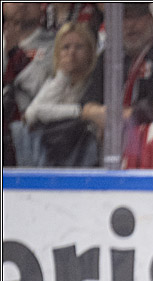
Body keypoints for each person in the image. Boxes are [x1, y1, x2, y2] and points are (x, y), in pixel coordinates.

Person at [79, 2, 153, 169]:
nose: (130, 25)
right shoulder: (111, 54)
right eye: (124, 18)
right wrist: (97, 113)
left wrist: (120, 117)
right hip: (111, 138)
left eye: (137, 17)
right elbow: (87, 101)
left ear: (151, 18)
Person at [19, 21, 99, 167]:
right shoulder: (57, 82)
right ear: (57, 53)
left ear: (90, 52)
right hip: (51, 153)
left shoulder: (94, 83)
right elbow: (31, 114)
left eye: (79, 47)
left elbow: (40, 112)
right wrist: (62, 76)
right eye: (66, 47)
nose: (71, 52)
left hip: (82, 155)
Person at [3, 2, 55, 165]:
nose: (23, 4)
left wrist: (15, 55)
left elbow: (43, 88)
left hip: (34, 142)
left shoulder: (57, 43)